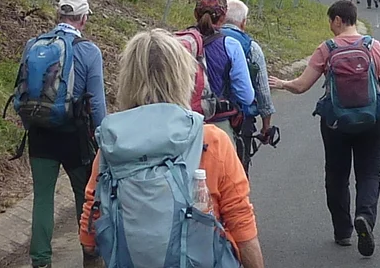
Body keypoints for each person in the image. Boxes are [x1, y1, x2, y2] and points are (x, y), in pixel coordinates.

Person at [79, 29, 266, 268]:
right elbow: (241, 225)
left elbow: (90, 236)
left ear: (127, 80)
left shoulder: (113, 145)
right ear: (184, 77)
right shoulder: (211, 141)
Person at [269, 0, 380, 257]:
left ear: (338, 20)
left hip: (336, 123)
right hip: (373, 120)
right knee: (370, 173)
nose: (330, 27)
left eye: (331, 21)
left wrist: (282, 83)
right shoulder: (374, 46)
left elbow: (302, 85)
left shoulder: (326, 49)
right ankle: (365, 218)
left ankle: (342, 231)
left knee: (336, 175)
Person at [16, 0, 108, 268]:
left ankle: (40, 261)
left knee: (42, 198)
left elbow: (24, 90)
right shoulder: (88, 51)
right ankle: (90, 257)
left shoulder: (33, 44)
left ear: (59, 16)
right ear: (82, 18)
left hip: (40, 132)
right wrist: (103, 142)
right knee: (86, 197)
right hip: (75, 137)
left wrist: (31, 125)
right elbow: (98, 103)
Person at [188, 0, 256, 140]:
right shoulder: (231, 45)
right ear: (224, 17)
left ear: (195, 14)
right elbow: (246, 96)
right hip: (216, 124)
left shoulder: (177, 42)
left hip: (181, 122)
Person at [223, 0, 276, 171]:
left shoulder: (205, 40)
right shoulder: (251, 47)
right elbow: (262, 92)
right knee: (238, 173)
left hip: (206, 118)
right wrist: (266, 127)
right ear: (243, 23)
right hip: (240, 120)